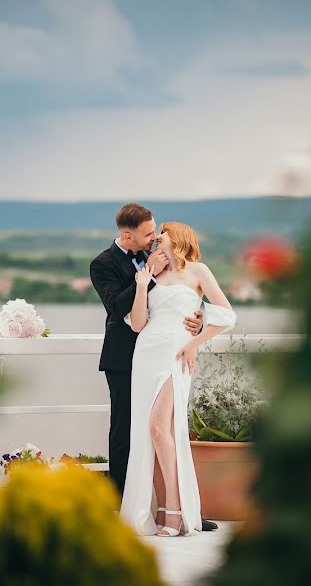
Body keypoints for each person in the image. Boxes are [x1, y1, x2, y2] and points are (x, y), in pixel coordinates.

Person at [119, 221, 236, 536]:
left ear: (180, 237)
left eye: (163, 232)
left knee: (160, 427)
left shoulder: (199, 271)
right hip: (146, 354)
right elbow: (137, 324)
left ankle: (174, 509)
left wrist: (194, 342)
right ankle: (159, 510)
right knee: (151, 433)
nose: (158, 237)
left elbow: (226, 315)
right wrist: (142, 283)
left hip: (176, 354)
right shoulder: (153, 275)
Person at [89, 204, 203, 501]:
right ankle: (122, 503)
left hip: (161, 356)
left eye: (155, 232)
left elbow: (177, 295)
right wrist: (149, 273)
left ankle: (181, 507)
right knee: (125, 430)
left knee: (168, 428)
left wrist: (198, 317)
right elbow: (116, 306)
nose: (155, 237)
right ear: (127, 237)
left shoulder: (154, 255)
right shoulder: (102, 264)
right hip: (124, 358)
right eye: (148, 233)